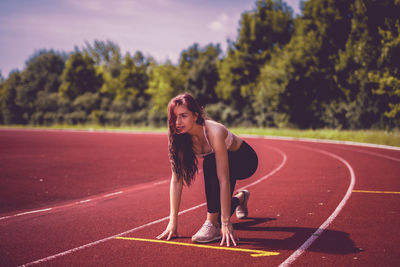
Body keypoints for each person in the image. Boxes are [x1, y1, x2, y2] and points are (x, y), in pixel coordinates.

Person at [156, 93, 258, 247]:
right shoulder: (178, 137)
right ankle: (240, 198)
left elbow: (223, 179)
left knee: (210, 163)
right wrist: (173, 222)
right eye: (174, 117)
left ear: (196, 115)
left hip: (245, 161)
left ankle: (211, 224)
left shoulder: (213, 131)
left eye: (183, 115)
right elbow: (177, 180)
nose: (178, 122)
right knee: (218, 207)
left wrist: (226, 222)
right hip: (223, 164)